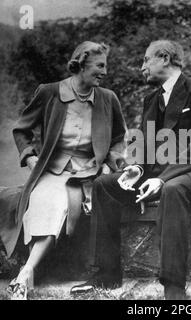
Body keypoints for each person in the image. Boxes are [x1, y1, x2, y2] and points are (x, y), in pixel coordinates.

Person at [70, 40, 191, 299]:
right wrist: (136, 168)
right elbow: (143, 144)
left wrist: (161, 179)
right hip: (154, 175)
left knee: (171, 189)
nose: (142, 68)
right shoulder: (151, 98)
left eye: (146, 60)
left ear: (164, 58)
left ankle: (173, 287)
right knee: (104, 185)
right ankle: (106, 276)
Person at [4, 41, 127, 299]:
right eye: (99, 65)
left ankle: (22, 277)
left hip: (90, 175)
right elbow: (21, 129)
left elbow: (119, 138)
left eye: (106, 66)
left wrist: (109, 164)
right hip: (54, 171)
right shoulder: (49, 93)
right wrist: (30, 158)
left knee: (71, 206)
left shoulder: (108, 98)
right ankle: (26, 275)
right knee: (46, 203)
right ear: (81, 64)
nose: (105, 72)